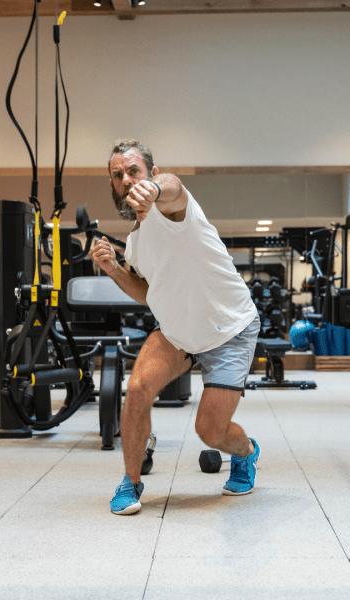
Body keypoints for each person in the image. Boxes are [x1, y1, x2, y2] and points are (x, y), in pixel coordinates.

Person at [91, 139, 260, 515]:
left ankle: (247, 452)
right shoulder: (134, 243)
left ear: (150, 173)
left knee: (210, 432)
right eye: (117, 175)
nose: (126, 180)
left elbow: (174, 186)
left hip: (229, 328)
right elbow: (148, 291)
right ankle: (131, 481)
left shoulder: (174, 209)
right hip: (178, 331)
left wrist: (153, 190)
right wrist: (115, 269)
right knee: (136, 388)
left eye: (134, 171)